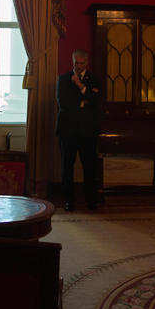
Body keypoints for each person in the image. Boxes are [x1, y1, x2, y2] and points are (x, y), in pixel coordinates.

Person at [56, 49, 101, 211]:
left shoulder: (94, 79)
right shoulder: (63, 79)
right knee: (67, 167)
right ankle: (69, 200)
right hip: (67, 131)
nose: (79, 66)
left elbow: (96, 102)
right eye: (76, 63)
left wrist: (81, 86)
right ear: (72, 62)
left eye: (81, 63)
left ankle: (91, 200)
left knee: (90, 167)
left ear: (86, 63)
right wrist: (84, 103)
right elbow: (64, 104)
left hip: (88, 132)